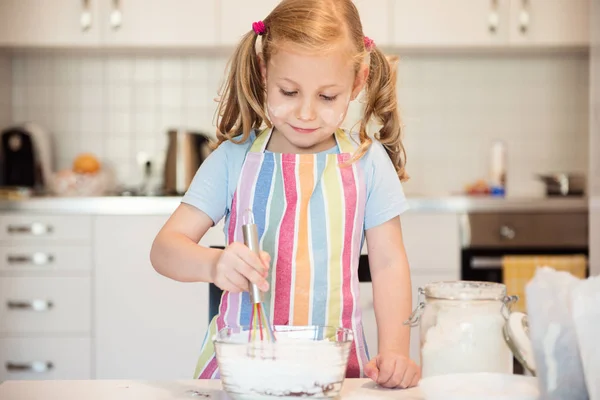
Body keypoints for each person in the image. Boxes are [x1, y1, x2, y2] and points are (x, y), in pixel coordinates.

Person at [150, 0, 420, 389]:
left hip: (335, 372)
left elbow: (390, 264)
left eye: (327, 96)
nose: (306, 113)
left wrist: (396, 350)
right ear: (264, 73)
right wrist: (213, 265)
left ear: (358, 82)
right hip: (240, 372)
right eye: (289, 91)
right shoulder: (234, 158)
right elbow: (164, 249)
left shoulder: (367, 161)